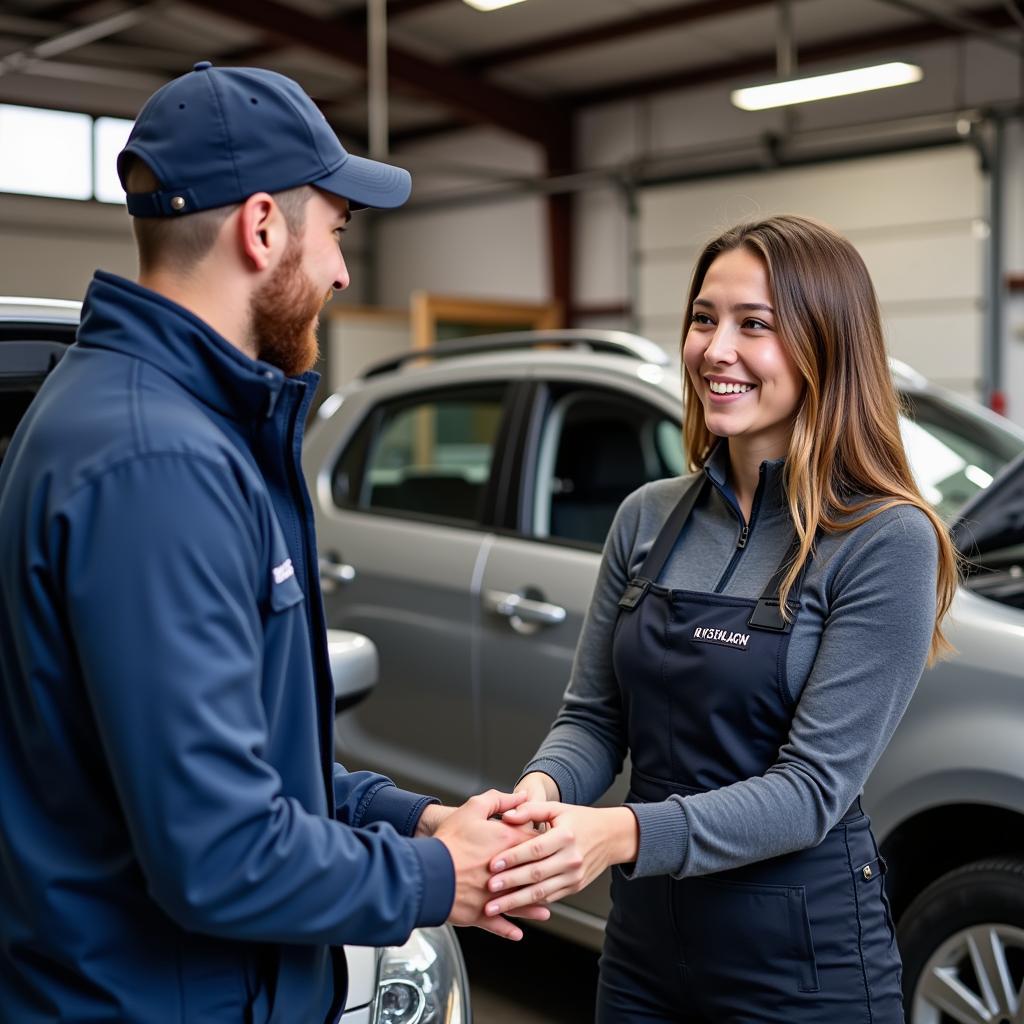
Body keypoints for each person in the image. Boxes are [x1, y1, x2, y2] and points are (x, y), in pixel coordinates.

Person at [0, 63, 545, 1024]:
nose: (339, 269)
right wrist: (435, 877)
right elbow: (218, 852)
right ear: (261, 227)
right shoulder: (154, 464)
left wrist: (413, 819)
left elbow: (230, 754)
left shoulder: (155, 425)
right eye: (335, 231)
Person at [483, 215, 960, 1022]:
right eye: (704, 318)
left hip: (801, 962)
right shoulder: (646, 517)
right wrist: (540, 792)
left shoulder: (884, 539)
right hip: (643, 949)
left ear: (825, 347)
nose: (715, 349)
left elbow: (811, 789)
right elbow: (595, 718)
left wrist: (617, 836)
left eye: (755, 325)